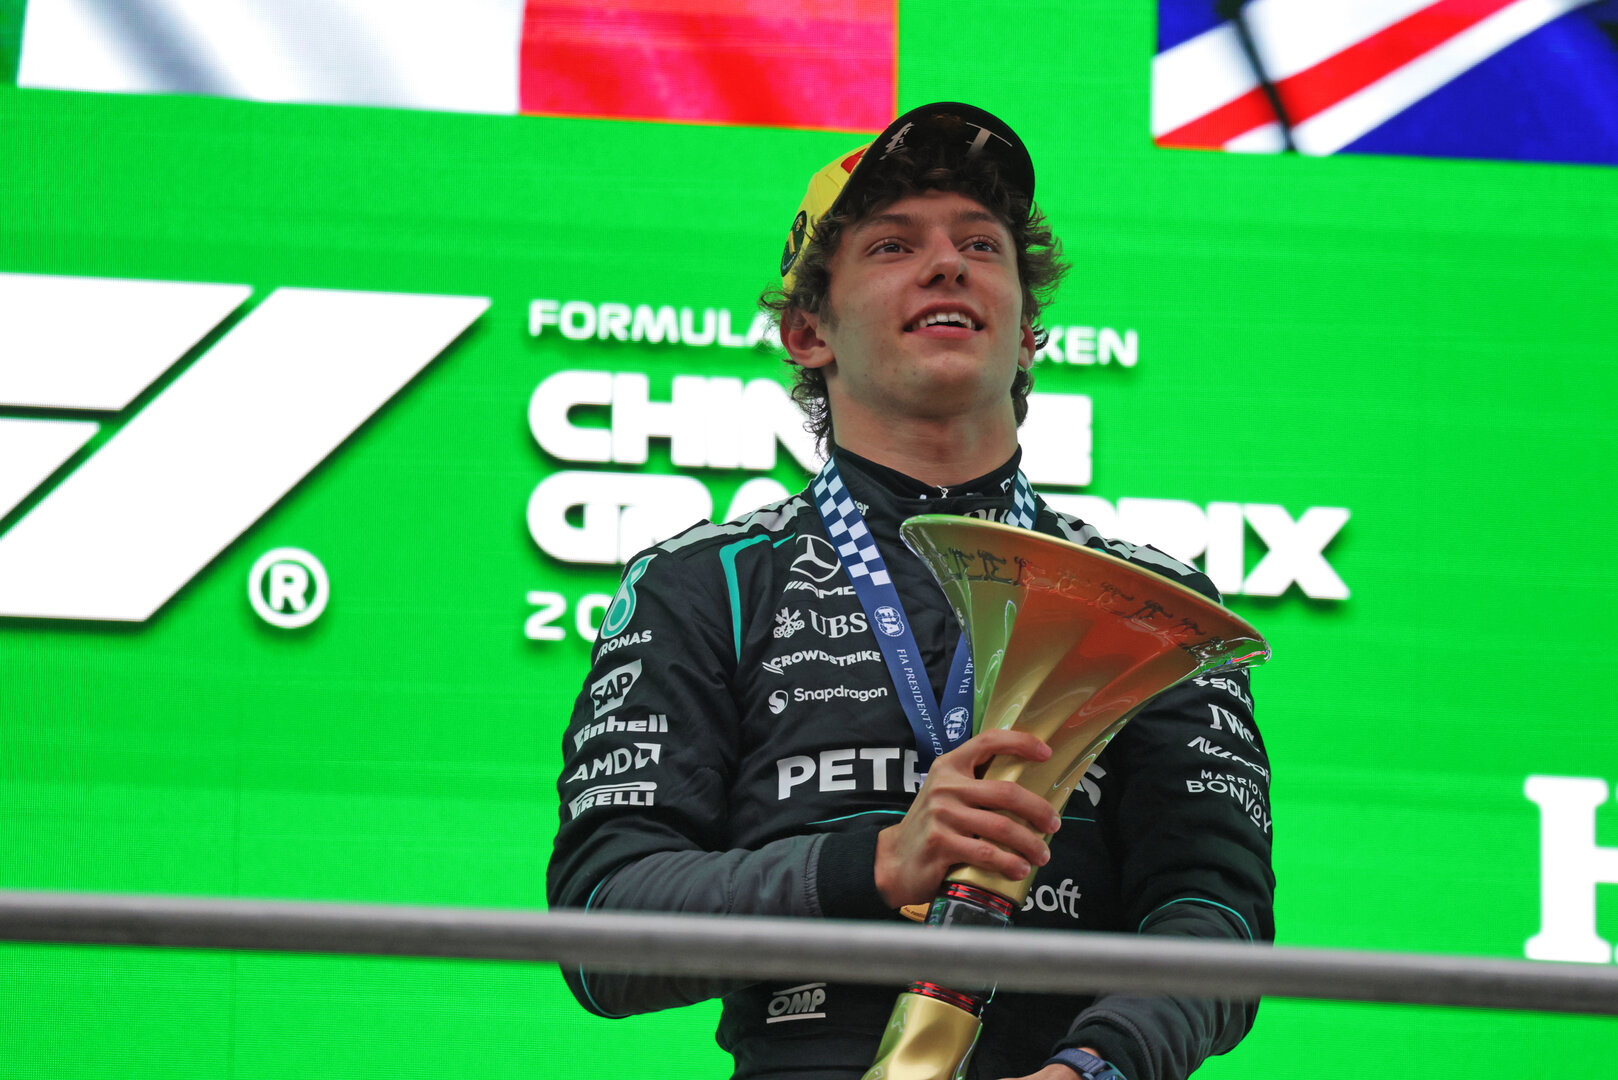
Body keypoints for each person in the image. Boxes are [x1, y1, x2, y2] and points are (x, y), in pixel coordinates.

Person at [547, 102, 1273, 1080]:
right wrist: (874, 864)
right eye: (892, 244)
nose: (948, 264)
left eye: (980, 244)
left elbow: (1213, 913)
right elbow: (602, 930)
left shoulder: (1155, 601)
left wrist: (1098, 1068)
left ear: (1027, 337)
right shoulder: (703, 582)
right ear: (809, 332)